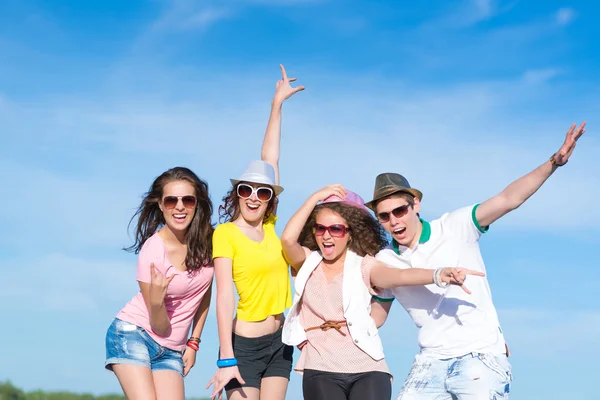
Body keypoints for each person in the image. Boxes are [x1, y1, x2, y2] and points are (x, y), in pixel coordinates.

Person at [366, 122, 587, 399]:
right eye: (384, 216)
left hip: (479, 356)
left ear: (415, 205)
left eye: (399, 210)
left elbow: (509, 198)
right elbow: (375, 317)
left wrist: (554, 162)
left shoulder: (457, 225)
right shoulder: (385, 260)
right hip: (429, 362)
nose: (394, 221)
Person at [280, 185, 484, 400]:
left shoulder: (365, 266)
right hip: (321, 366)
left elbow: (399, 277)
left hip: (369, 366)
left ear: (350, 233)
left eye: (336, 229)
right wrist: (315, 198)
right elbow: (287, 240)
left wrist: (438, 274)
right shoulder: (307, 262)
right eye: (320, 228)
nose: (326, 235)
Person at [206, 65, 304, 400]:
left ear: (270, 200)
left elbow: (270, 158)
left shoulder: (272, 227)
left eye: (263, 193)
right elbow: (223, 296)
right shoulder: (225, 235)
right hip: (244, 346)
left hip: (281, 340)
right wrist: (225, 355)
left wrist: (277, 106)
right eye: (246, 190)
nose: (254, 197)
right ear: (237, 194)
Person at [105, 167, 215, 400]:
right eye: (171, 200)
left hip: (172, 349)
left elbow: (204, 293)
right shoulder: (153, 252)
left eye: (188, 199)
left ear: (197, 203)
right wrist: (156, 302)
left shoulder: (207, 242)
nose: (179, 206)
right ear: (161, 205)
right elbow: (160, 326)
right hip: (135, 334)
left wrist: (194, 342)